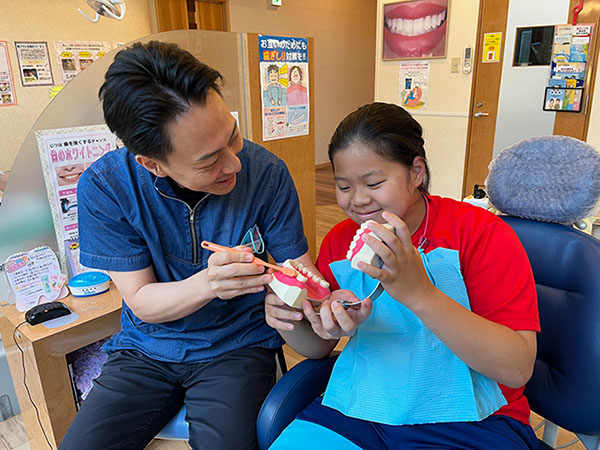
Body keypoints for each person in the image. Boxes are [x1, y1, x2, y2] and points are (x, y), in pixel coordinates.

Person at [59, 41, 314, 450]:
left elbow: (300, 272)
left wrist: (320, 301)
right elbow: (141, 300)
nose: (234, 163)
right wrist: (210, 283)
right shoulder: (106, 187)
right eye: (209, 160)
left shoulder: (267, 173)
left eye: (233, 136)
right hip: (146, 347)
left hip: (238, 344)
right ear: (152, 164)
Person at [265, 102, 540, 449]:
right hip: (361, 406)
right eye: (344, 187)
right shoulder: (340, 241)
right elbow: (320, 346)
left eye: (374, 182)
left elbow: (516, 368)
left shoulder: (481, 234)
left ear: (416, 172)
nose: (359, 201)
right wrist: (290, 319)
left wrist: (419, 293)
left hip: (472, 419)